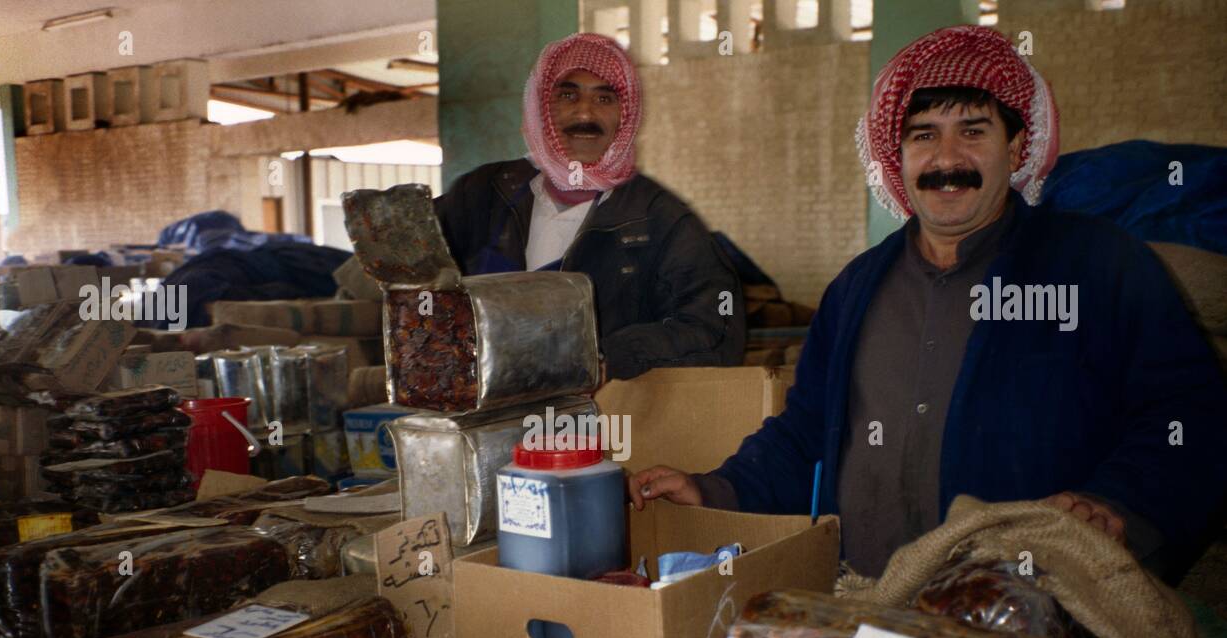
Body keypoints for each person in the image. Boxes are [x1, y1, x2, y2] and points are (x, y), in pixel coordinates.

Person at [630, 25, 1227, 581]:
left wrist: (1118, 502)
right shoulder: (857, 289)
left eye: (973, 130)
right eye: (924, 136)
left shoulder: (1099, 266)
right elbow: (806, 431)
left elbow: (1189, 415)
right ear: (899, 158)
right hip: (869, 604)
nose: (947, 161)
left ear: (1017, 147)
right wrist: (716, 489)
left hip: (1031, 615)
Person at [434, 32, 745, 382]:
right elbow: (413, 267)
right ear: (540, 106)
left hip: (597, 428)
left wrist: (610, 357)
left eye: (605, 98)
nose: (585, 113)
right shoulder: (484, 193)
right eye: (568, 95)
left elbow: (716, 328)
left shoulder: (661, 219)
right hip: (480, 420)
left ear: (625, 116)